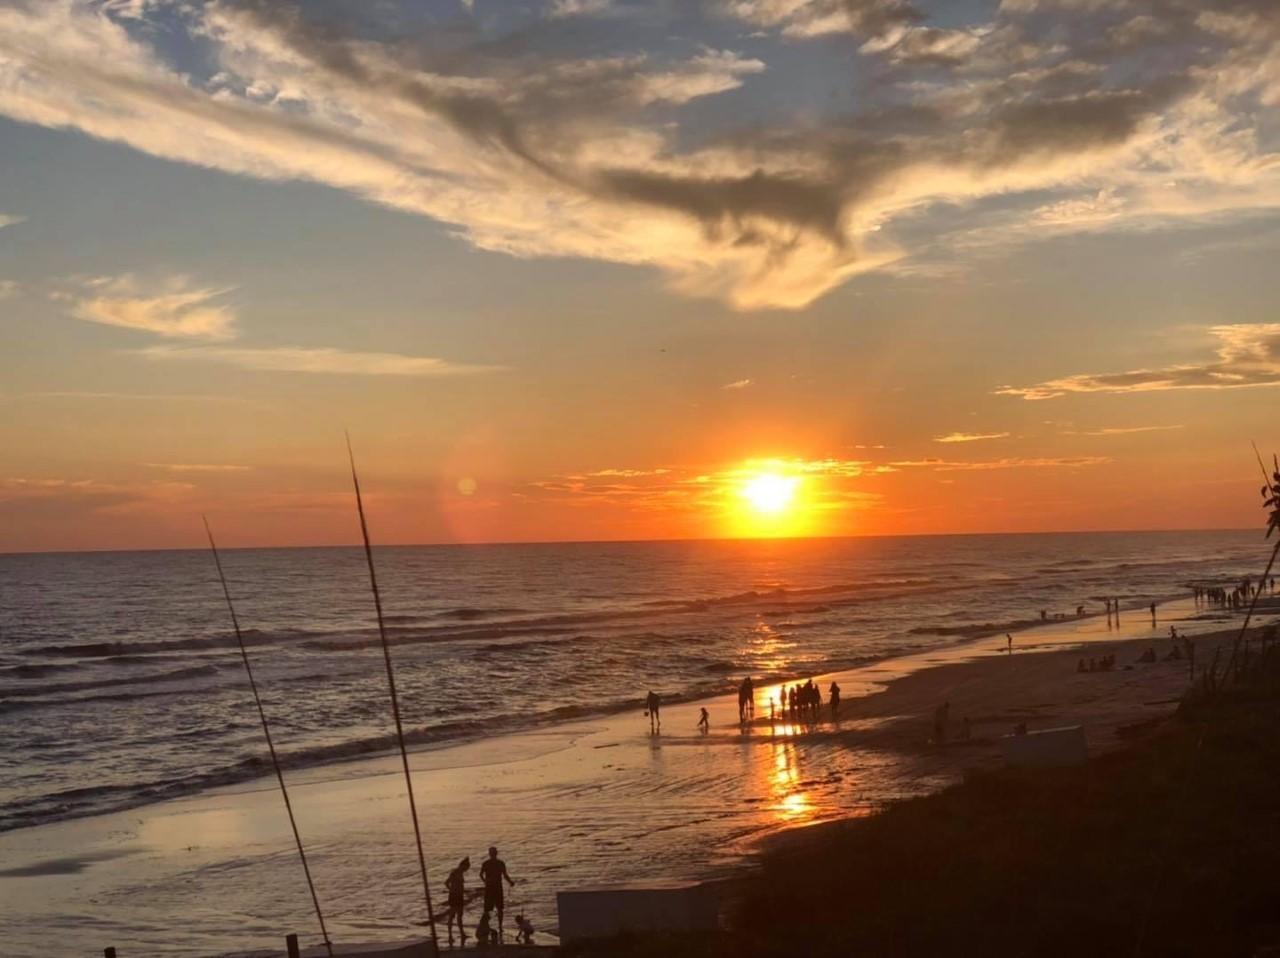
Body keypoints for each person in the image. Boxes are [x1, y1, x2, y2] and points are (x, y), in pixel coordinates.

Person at [479, 846, 516, 937]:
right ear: (496, 853)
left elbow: (480, 875)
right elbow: (505, 875)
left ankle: (488, 925)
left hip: (490, 887)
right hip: (497, 887)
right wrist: (510, 882)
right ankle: (499, 926)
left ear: (490, 854)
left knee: (489, 908)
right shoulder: (500, 863)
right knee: (498, 908)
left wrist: (485, 881)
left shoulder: (486, 863)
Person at [444, 856, 470, 946]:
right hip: (454, 896)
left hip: (459, 896)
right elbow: (446, 883)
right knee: (452, 916)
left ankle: (462, 934)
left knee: (460, 916)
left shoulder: (460, 873)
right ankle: (450, 935)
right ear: (463, 866)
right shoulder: (455, 872)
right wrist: (452, 890)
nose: (466, 870)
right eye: (466, 868)